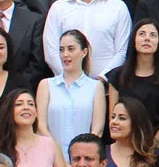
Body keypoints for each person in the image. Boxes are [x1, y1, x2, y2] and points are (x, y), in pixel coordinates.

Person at [37, 28, 107, 157]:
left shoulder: (96, 86)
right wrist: (59, 159)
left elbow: (97, 129)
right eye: (61, 49)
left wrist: (80, 157)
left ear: (84, 52)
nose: (65, 54)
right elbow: (41, 127)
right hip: (52, 159)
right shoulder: (46, 85)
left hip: (83, 161)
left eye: (71, 49)